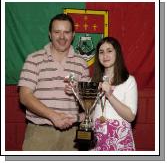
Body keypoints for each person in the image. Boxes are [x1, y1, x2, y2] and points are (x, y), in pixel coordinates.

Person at [18, 13, 90, 151]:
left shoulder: (81, 64)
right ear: (50, 34)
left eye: (66, 32)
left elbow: (88, 102)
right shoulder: (34, 59)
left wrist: (78, 92)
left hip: (72, 137)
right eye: (57, 32)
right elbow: (24, 96)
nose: (62, 37)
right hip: (40, 134)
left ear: (73, 35)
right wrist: (53, 116)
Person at [91, 37, 138, 151]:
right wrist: (75, 92)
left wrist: (110, 96)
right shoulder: (92, 82)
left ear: (117, 53)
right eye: (101, 52)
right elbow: (89, 112)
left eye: (109, 51)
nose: (105, 55)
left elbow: (130, 116)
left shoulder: (129, 81)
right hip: (96, 138)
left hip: (119, 139)